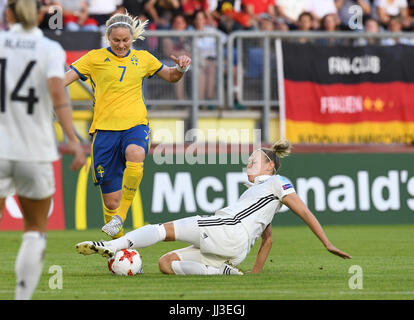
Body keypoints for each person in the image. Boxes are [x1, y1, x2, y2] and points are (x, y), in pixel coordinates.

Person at [76, 139, 352, 276]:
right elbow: (267, 238)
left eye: (254, 160)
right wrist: (254, 276)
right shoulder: (261, 195)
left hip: (227, 229)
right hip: (236, 249)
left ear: (270, 165)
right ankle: (223, 272)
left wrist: (326, 243)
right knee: (166, 264)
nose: (249, 163)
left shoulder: (279, 182)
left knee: (161, 229)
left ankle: (112, 246)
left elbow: (304, 211)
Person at [64, 12, 191, 239]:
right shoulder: (94, 58)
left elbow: (171, 77)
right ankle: (119, 249)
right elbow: (64, 79)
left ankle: (120, 217)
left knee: (136, 152)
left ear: (132, 38)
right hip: (104, 132)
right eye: (116, 40)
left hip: (135, 124)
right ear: (108, 38)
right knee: (111, 201)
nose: (121, 45)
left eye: (126, 40)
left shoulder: (143, 59)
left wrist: (181, 68)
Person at [0, 0, 86, 299]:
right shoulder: (50, 49)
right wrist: (73, 140)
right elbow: (57, 95)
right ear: (39, 15)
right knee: (35, 227)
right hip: (34, 148)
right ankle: (22, 297)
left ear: (7, 13)